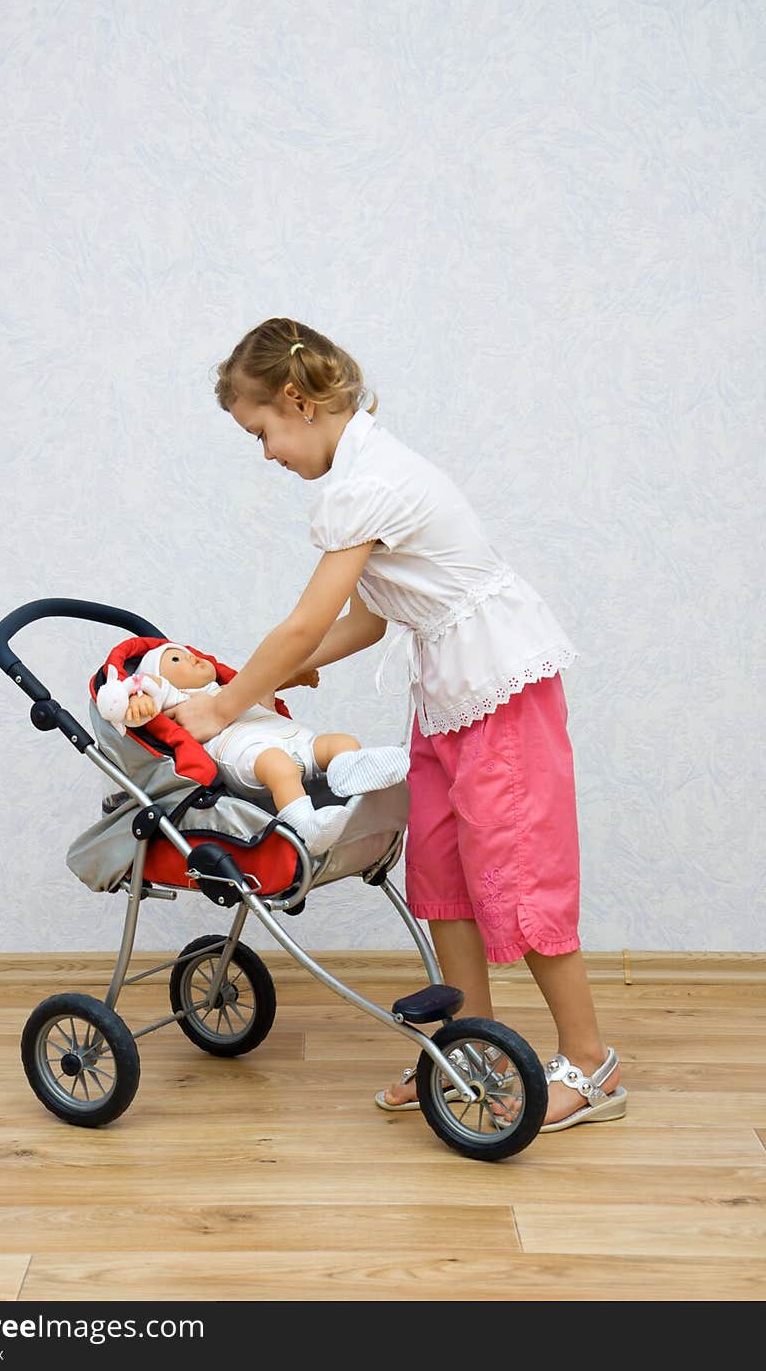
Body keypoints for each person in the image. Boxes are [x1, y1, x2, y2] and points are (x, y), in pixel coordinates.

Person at [136, 317, 626, 1132]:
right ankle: (469, 1052)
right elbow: (364, 621)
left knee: (518, 871)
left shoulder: (370, 481)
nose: (265, 454)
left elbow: (306, 621)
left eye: (261, 432)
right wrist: (280, 675)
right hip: (449, 696)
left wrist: (225, 705)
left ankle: (593, 1064)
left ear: (296, 401)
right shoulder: (364, 475)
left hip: (498, 692)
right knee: (445, 877)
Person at [120, 639, 409, 856]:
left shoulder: (233, 688)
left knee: (341, 742)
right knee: (280, 766)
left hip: (292, 741)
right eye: (175, 659)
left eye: (190, 653)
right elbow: (140, 703)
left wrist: (296, 677)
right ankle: (305, 826)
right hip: (249, 758)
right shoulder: (178, 703)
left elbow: (266, 682)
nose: (192, 657)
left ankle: (348, 773)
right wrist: (138, 700)